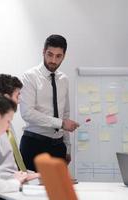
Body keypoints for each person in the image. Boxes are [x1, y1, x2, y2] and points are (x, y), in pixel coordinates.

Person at [19, 34, 79, 171]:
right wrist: (61, 123)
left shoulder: (64, 79)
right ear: (43, 52)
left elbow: (65, 114)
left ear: (64, 56)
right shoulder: (30, 77)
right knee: (33, 191)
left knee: (57, 190)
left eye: (58, 56)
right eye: (50, 54)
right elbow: (27, 113)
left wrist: (67, 147)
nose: (53, 60)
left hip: (58, 147)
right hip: (34, 145)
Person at [0, 74, 39, 180]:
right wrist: (25, 176)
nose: (19, 101)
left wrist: (34, 174)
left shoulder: (8, 125)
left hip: (13, 181)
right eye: (17, 96)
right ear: (6, 98)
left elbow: (12, 167)